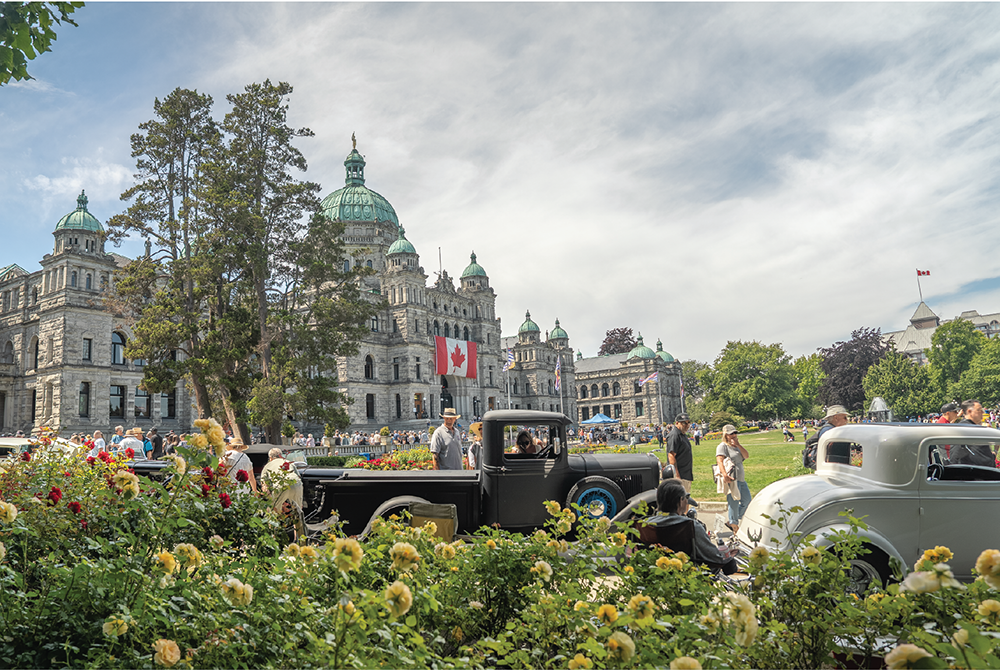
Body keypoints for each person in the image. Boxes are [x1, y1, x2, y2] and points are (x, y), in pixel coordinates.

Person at [642, 479, 738, 575]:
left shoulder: (643, 526)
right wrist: (729, 560)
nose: (687, 500)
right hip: (685, 578)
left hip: (651, 578)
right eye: (687, 497)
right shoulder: (690, 526)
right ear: (680, 501)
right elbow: (714, 558)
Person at [715, 425, 751, 534]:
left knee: (747, 501)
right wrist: (725, 475)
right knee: (733, 502)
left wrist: (738, 445)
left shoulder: (736, 446)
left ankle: (732, 521)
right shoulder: (722, 446)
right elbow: (719, 461)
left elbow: (746, 456)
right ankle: (734, 526)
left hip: (741, 479)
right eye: (731, 434)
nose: (734, 435)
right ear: (726, 435)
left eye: (735, 433)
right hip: (732, 479)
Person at [951, 399, 996, 467]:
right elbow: (985, 460)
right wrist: (995, 452)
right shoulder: (974, 430)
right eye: (979, 410)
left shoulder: (959, 428)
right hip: (977, 471)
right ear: (969, 411)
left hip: (961, 469)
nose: (983, 412)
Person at [260, 447, 303, 512]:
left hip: (281, 485)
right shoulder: (288, 462)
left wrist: (270, 501)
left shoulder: (267, 466)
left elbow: (265, 487)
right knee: (297, 511)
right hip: (296, 484)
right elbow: (298, 477)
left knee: (275, 512)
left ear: (270, 458)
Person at [666, 413, 694, 493]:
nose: (687, 425)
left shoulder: (682, 434)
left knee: (686, 498)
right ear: (677, 423)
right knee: (680, 499)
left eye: (688, 422)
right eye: (684, 423)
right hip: (680, 476)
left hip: (685, 475)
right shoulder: (675, 435)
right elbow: (671, 455)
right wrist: (677, 476)